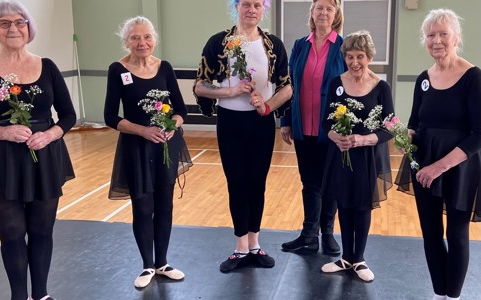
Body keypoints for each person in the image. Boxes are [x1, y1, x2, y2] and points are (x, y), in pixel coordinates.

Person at [193, 0, 292, 273]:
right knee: (236, 182)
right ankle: (240, 247)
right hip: (230, 123)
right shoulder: (218, 43)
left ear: (264, 10)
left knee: (257, 182)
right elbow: (200, 86)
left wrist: (267, 105)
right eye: (246, 4)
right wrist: (229, 92)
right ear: (236, 7)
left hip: (260, 123)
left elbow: (287, 87)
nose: (252, 10)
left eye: (257, 5)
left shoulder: (273, 44)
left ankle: (255, 244)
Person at [0, 1, 76, 299]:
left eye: (19, 22)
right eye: (4, 23)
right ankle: (18, 296)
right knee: (12, 235)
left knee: (42, 233)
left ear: (29, 27)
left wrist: (50, 134)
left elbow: (68, 115)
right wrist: (3, 131)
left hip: (44, 160)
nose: (13, 28)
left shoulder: (48, 67)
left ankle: (40, 294)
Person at [396, 9, 481, 300]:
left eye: (443, 34)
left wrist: (439, 167)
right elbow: (414, 123)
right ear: (425, 40)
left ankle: (453, 296)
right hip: (423, 164)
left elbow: (479, 134)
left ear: (456, 37)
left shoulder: (473, 77)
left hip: (458, 166)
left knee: (456, 235)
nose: (437, 40)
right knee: (431, 234)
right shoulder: (423, 79)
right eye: (431, 35)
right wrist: (403, 136)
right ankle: (439, 293)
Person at [104, 16, 192, 288]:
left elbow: (181, 110)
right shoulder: (118, 69)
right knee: (143, 207)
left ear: (154, 39)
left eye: (147, 37)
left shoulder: (164, 67)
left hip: (166, 145)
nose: (142, 43)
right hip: (136, 147)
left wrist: (171, 127)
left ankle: (162, 262)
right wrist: (142, 130)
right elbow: (109, 116)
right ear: (126, 41)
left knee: (165, 205)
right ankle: (146, 266)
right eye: (135, 38)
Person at [320, 30, 393, 282]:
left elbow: (390, 128)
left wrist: (362, 140)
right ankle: (346, 257)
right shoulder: (335, 83)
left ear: (369, 57)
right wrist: (335, 137)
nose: (354, 62)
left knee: (362, 207)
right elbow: (325, 124)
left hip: (367, 158)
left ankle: (359, 259)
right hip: (340, 155)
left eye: (360, 56)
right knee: (344, 204)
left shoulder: (381, 87)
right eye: (350, 57)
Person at [280, 0, 345, 255]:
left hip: (331, 129)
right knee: (309, 182)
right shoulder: (299, 46)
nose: (323, 12)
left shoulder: (343, 46)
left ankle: (327, 233)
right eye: (319, 7)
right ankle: (309, 234)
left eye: (329, 8)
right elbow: (288, 85)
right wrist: (285, 120)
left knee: (329, 183)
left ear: (336, 14)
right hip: (301, 125)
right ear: (312, 13)